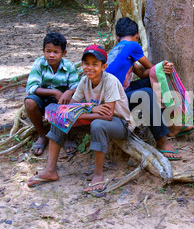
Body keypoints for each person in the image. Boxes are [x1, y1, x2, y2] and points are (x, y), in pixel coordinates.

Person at [27, 45, 135, 193]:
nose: (89, 67)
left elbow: (108, 115)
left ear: (103, 66)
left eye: (95, 64)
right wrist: (90, 108)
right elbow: (70, 107)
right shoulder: (84, 81)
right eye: (86, 63)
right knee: (60, 118)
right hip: (96, 117)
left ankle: (98, 174)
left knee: (98, 124)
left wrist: (78, 114)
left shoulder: (110, 81)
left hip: (120, 123)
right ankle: (50, 170)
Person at [105, 17, 194, 161]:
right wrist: (162, 67)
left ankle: (172, 124)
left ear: (117, 37)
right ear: (137, 36)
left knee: (151, 83)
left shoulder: (116, 51)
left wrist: (161, 68)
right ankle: (162, 142)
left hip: (118, 93)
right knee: (146, 94)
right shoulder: (132, 46)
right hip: (116, 99)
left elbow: (142, 73)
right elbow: (151, 68)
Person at [25, 32, 79, 156]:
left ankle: (66, 136)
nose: (51, 55)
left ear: (63, 53)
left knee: (72, 103)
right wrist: (54, 92)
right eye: (48, 51)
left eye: (56, 52)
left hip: (60, 100)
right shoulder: (39, 63)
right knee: (29, 102)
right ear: (43, 51)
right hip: (42, 97)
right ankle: (43, 135)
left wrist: (69, 92)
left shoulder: (69, 66)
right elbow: (31, 88)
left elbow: (76, 86)